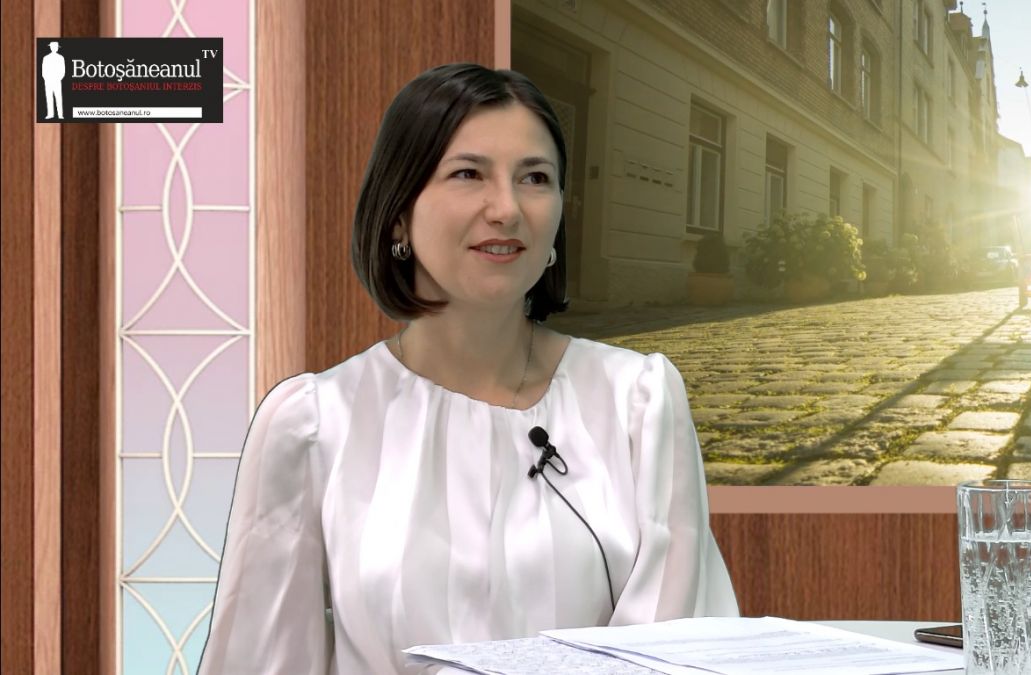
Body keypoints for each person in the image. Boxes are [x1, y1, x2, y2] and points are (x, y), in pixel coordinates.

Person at [198, 63, 738, 674]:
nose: (506, 208)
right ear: (398, 212)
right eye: (468, 174)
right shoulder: (313, 425)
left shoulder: (638, 402)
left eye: (535, 178)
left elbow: (678, 651)